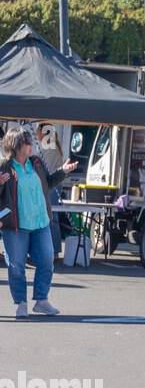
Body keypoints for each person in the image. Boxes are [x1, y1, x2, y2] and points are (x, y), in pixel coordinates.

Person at [0, 127, 78, 318]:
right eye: (27, 142)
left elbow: (48, 183)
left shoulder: (36, 163)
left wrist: (63, 172)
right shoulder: (4, 167)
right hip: (15, 225)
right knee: (16, 265)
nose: (31, 145)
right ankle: (21, 303)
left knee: (46, 259)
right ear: (16, 146)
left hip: (41, 222)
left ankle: (41, 300)